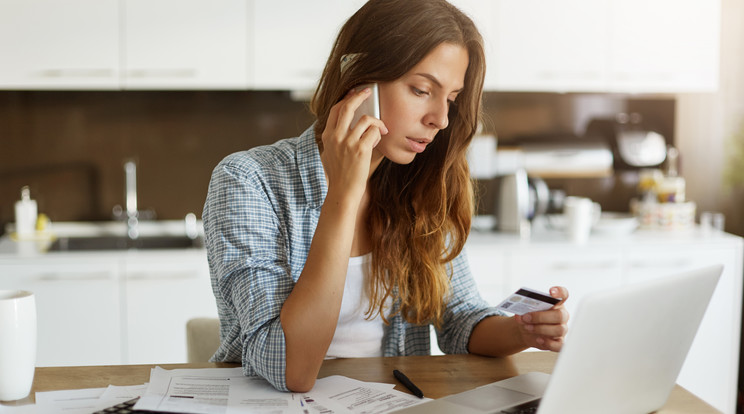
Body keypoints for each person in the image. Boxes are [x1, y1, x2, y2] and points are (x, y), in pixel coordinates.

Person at [203, 0, 569, 393]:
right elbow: (293, 369)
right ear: (359, 81)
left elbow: (460, 317)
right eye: (421, 89)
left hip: (389, 401)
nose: (440, 119)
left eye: (450, 98)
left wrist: (521, 332)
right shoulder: (247, 181)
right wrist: (345, 191)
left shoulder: (420, 188)